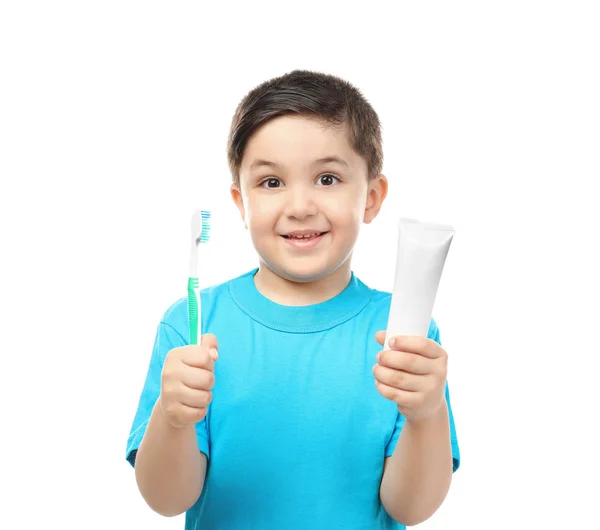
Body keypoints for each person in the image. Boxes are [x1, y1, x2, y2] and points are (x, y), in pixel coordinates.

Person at [125, 69, 461, 529]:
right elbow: (166, 499)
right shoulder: (193, 324)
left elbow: (411, 508)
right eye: (271, 183)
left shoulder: (402, 331)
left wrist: (427, 415)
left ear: (372, 196)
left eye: (327, 178)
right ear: (240, 203)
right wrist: (173, 416)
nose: (300, 205)